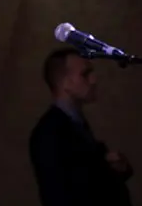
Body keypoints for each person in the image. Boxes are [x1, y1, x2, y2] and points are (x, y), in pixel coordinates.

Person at [29, 48, 133, 206]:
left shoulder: (74, 123)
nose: (93, 80)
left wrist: (118, 168)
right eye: (85, 74)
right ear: (65, 83)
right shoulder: (48, 134)